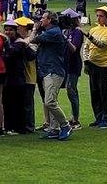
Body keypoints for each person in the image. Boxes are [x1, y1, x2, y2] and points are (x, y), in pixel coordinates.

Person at [30, 11, 73, 140]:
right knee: (52, 100)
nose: (40, 20)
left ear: (49, 20)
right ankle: (54, 129)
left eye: (43, 18)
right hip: (48, 70)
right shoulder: (53, 32)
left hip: (53, 71)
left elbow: (33, 40)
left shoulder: (53, 33)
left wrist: (34, 29)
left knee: (49, 101)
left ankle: (65, 125)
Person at [80, 6, 107, 128]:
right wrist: (86, 61)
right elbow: (86, 47)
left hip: (105, 65)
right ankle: (98, 117)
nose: (98, 18)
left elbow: (102, 45)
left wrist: (89, 37)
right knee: (94, 92)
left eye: (101, 16)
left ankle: (106, 119)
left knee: (105, 92)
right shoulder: (94, 29)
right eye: (97, 16)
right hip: (93, 64)